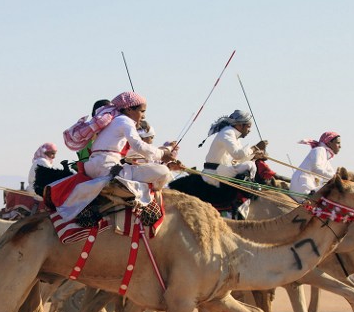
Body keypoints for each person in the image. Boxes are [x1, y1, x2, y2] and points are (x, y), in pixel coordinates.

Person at [53, 91, 179, 221]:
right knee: (163, 171)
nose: (144, 115)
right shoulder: (125, 120)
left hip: (94, 166)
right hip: (108, 169)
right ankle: (139, 199)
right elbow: (139, 146)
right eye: (142, 111)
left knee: (152, 168)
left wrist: (164, 151)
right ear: (129, 109)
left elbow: (128, 152)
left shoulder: (113, 121)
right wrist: (162, 154)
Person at [200, 110, 266, 187]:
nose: (249, 130)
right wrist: (255, 148)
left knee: (251, 164)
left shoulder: (234, 136)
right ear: (240, 125)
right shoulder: (227, 133)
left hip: (221, 170)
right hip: (214, 172)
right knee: (249, 165)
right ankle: (248, 187)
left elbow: (237, 160)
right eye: (248, 127)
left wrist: (254, 155)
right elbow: (237, 155)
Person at [290, 131, 341, 200]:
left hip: (308, 185)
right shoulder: (319, 150)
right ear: (329, 142)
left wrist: (339, 178)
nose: (340, 146)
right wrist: (336, 178)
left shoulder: (326, 157)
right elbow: (316, 169)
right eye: (338, 143)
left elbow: (332, 174)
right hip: (302, 186)